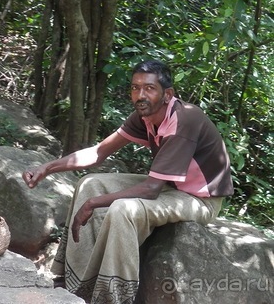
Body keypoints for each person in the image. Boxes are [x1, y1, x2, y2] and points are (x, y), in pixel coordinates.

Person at [22, 60, 233, 303]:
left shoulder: (184, 120)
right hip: (171, 186)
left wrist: (93, 204)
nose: (140, 95)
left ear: (168, 94)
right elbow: (99, 152)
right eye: (135, 88)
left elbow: (151, 189)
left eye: (149, 88)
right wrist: (46, 168)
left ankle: (113, 297)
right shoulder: (144, 116)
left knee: (124, 209)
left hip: (200, 199)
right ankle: (75, 282)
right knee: (90, 183)